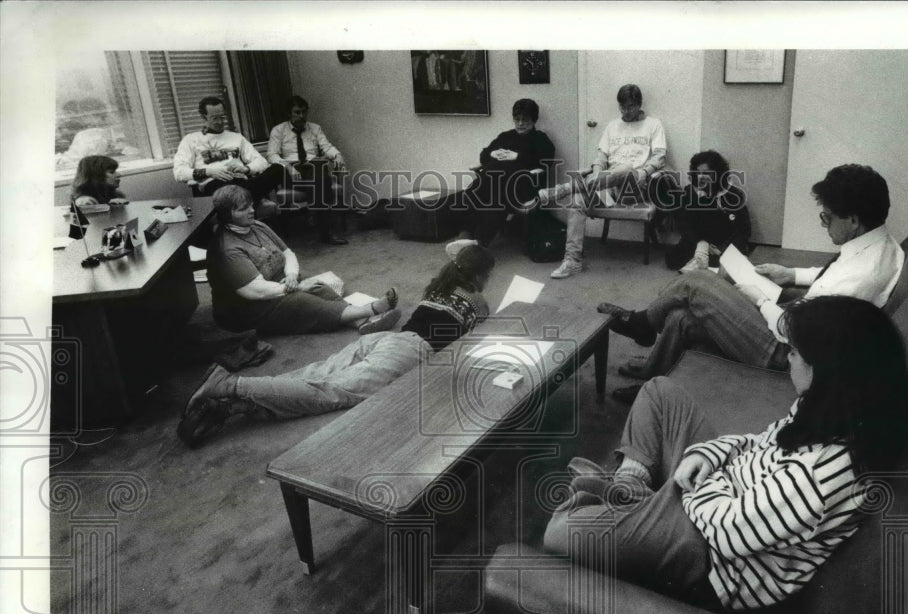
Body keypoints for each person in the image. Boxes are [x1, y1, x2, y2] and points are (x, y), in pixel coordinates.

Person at [544, 295, 908, 611]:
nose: (788, 361)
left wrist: (700, 479)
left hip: (713, 557)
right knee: (659, 391)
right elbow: (759, 441)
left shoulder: (822, 475)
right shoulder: (826, 410)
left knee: (561, 531)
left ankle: (632, 497)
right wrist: (708, 455)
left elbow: (726, 533)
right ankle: (632, 493)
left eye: (796, 354)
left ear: (828, 371)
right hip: (720, 494)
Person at [600, 163, 904, 402]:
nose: (824, 225)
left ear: (852, 219)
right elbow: (833, 277)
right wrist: (792, 274)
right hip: (796, 316)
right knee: (682, 317)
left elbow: (798, 331)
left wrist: (760, 300)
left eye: (827, 218)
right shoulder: (878, 245)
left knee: (696, 281)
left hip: (786, 350)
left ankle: (642, 324)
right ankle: (651, 378)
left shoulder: (862, 276)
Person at [177, 244, 495, 448]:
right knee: (329, 393)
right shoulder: (477, 303)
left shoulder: (437, 287)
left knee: (311, 374)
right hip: (413, 352)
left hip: (384, 340)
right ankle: (232, 386)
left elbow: (456, 249)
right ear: (481, 275)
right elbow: (474, 347)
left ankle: (237, 405)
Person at [206, 184, 400, 336]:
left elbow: (287, 252)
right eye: (242, 209)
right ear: (227, 216)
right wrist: (296, 287)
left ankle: (359, 322)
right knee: (302, 302)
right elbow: (255, 291)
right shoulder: (228, 249)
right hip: (245, 311)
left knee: (319, 287)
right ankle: (369, 311)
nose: (251, 211)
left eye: (250, 205)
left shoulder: (257, 226)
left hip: (277, 282)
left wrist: (291, 275)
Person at [528, 84, 669, 279]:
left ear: (639, 104)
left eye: (630, 107)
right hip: (608, 186)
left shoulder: (653, 124)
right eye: (622, 107)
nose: (626, 112)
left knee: (626, 169)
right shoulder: (612, 126)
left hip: (634, 189)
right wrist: (595, 172)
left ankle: (561, 189)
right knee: (578, 200)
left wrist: (644, 172)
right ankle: (572, 260)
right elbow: (601, 157)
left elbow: (660, 156)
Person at [445, 98, 555, 256]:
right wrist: (491, 153)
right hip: (491, 181)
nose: (520, 123)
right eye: (517, 119)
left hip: (521, 186)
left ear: (534, 120)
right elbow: (484, 154)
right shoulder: (505, 136)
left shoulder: (540, 139)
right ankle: (465, 236)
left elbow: (545, 162)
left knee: (496, 197)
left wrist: (517, 156)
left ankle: (479, 242)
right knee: (469, 194)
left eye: (525, 119)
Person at [173, 96, 287, 218]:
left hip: (242, 181)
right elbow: (179, 172)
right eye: (215, 118)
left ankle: (244, 200)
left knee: (278, 168)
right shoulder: (191, 140)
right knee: (234, 191)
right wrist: (209, 172)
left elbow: (261, 161)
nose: (220, 122)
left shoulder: (236, 137)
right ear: (203, 117)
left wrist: (246, 169)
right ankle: (250, 201)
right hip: (216, 186)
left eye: (222, 117)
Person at [267, 95, 351, 245]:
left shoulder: (315, 128)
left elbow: (326, 147)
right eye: (297, 112)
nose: (301, 116)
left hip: (313, 168)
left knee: (320, 171)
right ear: (289, 113)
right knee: (322, 182)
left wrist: (337, 155)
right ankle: (325, 230)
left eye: (304, 112)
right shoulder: (278, 130)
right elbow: (272, 154)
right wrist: (288, 167)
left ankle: (316, 216)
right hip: (292, 171)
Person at [661, 149, 750, 273]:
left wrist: (725, 247)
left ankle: (708, 261)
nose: (701, 177)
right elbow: (683, 223)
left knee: (730, 267)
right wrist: (701, 242)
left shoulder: (733, 194)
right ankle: (701, 258)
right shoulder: (690, 192)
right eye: (698, 173)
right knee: (673, 260)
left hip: (723, 242)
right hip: (698, 240)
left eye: (706, 173)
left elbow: (743, 229)